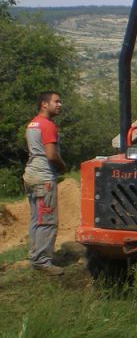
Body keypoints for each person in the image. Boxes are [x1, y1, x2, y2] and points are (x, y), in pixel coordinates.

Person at [23, 91, 67, 276]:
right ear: (44, 104)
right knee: (47, 221)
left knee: (36, 219)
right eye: (56, 101)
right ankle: (42, 262)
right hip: (44, 177)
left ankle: (35, 257)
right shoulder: (48, 125)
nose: (59, 105)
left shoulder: (32, 124)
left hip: (31, 174)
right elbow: (51, 155)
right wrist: (63, 166)